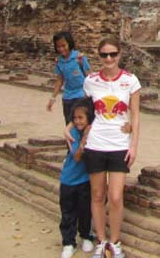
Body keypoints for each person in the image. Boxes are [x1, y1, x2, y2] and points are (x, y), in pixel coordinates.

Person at [81, 36, 141, 258]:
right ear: (99, 56)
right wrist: (72, 129)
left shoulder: (130, 80)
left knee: (115, 196)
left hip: (119, 144)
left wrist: (133, 145)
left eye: (113, 54)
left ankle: (114, 242)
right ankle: (100, 240)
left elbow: (135, 115)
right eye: (104, 54)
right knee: (97, 195)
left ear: (119, 55)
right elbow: (84, 113)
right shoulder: (91, 81)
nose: (109, 58)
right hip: (96, 143)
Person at [58, 99, 95, 258]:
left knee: (85, 210)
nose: (78, 121)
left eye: (81, 118)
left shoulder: (95, 130)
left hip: (85, 180)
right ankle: (68, 242)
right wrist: (84, 140)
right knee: (68, 212)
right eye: (75, 118)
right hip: (69, 180)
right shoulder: (73, 133)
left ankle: (86, 235)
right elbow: (78, 157)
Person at [47, 31, 92, 124]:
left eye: (64, 46)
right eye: (58, 47)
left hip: (81, 95)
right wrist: (52, 98)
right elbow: (60, 80)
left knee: (82, 123)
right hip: (68, 97)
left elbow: (90, 76)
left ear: (69, 44)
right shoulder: (59, 61)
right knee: (69, 123)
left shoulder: (79, 58)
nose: (61, 49)